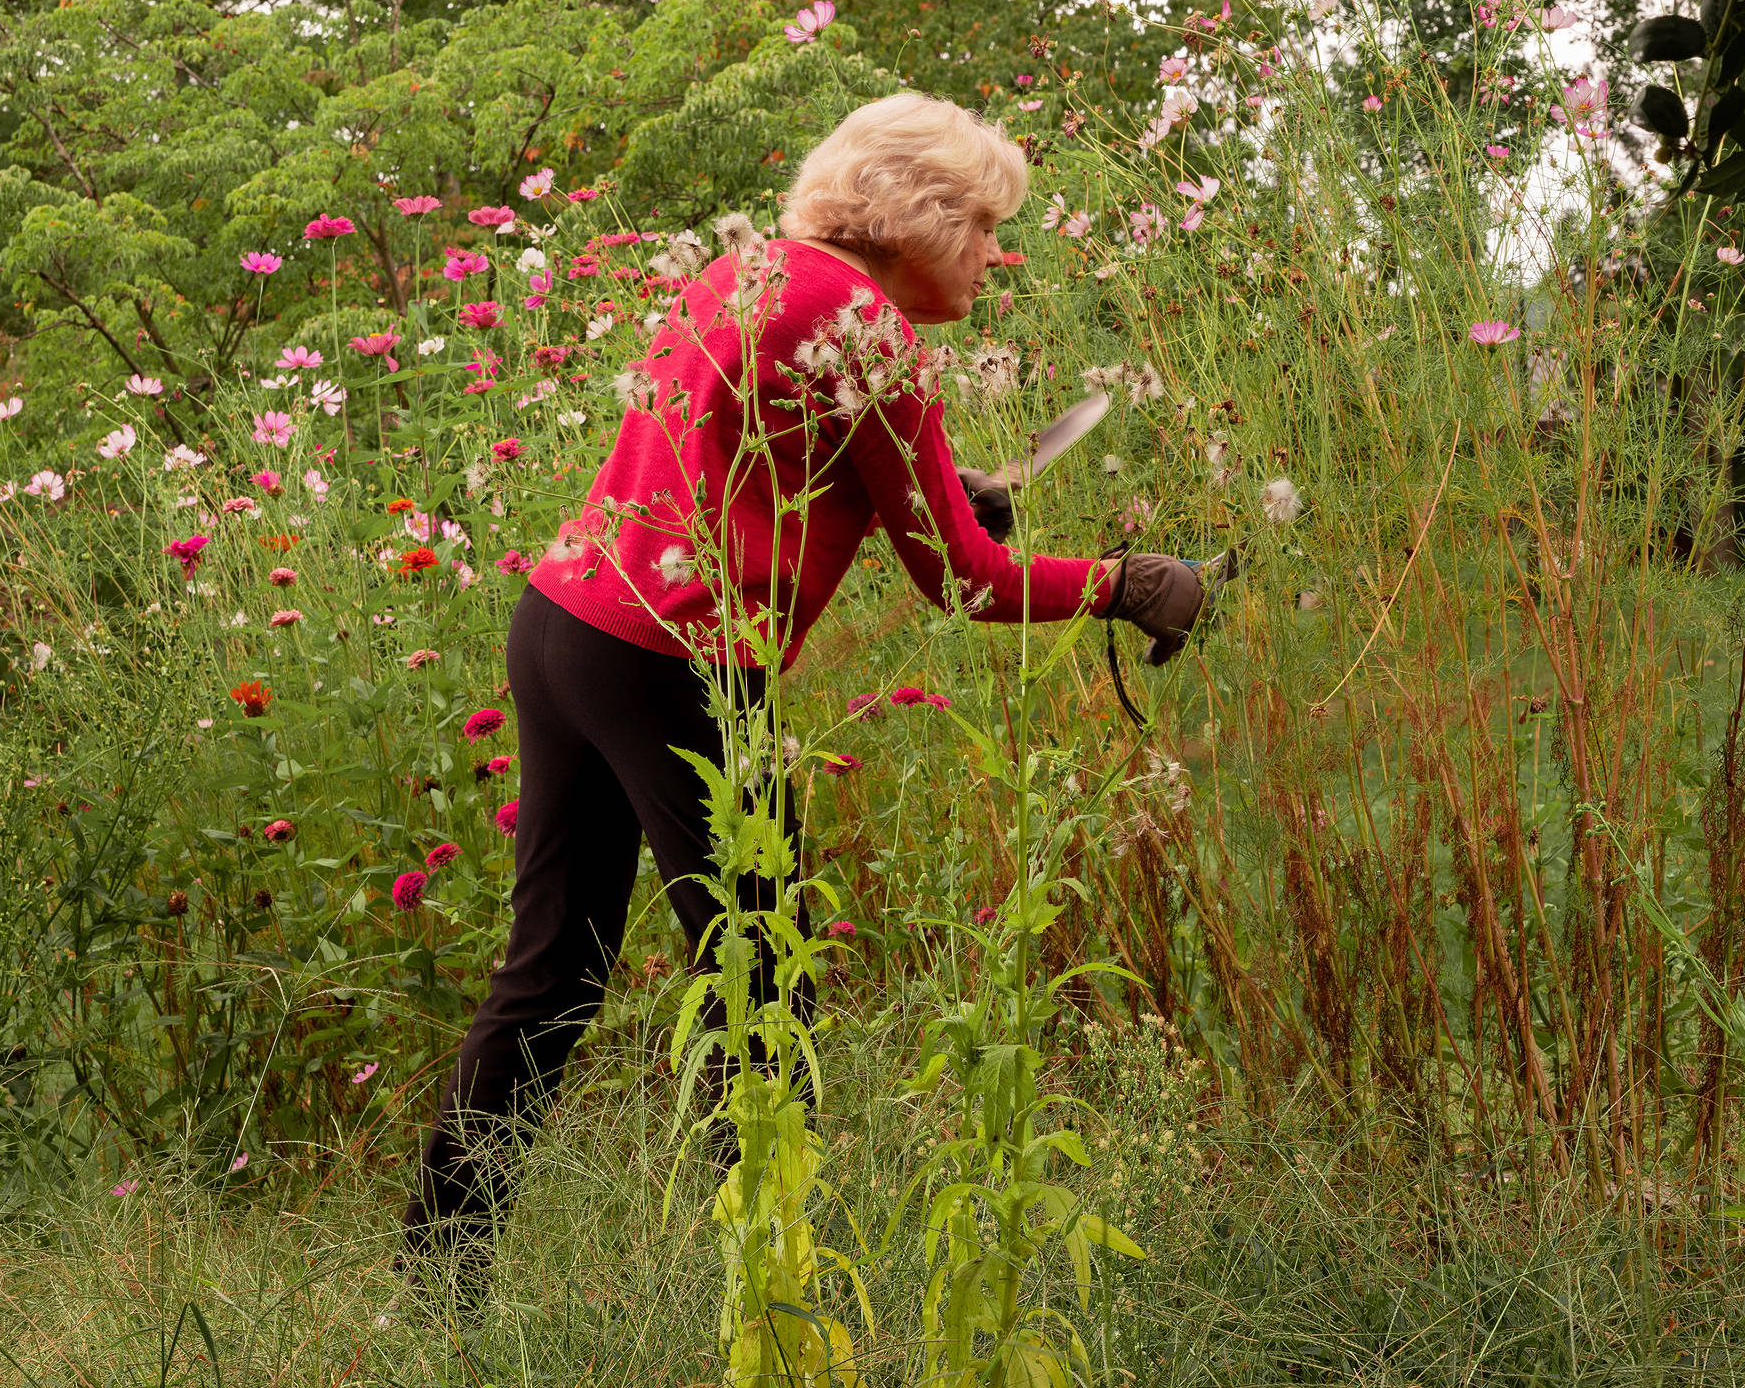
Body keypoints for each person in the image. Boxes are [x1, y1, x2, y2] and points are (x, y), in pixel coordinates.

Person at [404, 91, 1204, 1256]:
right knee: (764, 991)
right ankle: (775, 1289)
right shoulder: (869, 329)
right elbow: (966, 582)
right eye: (981, 224)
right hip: (673, 661)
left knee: (553, 979)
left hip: (565, 627)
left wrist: (938, 484)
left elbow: (755, 461)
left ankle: (436, 1278)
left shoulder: (756, 272)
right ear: (920, 216)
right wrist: (1130, 583)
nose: (995, 253)